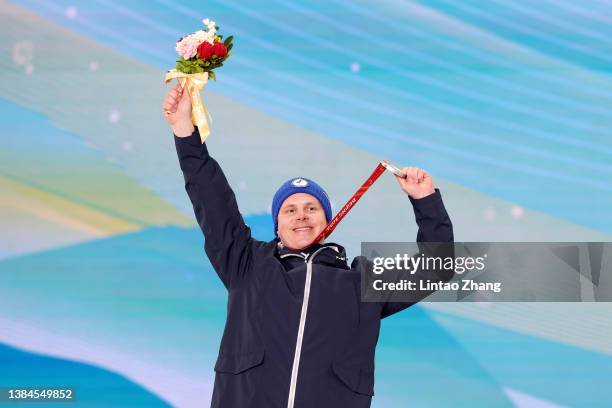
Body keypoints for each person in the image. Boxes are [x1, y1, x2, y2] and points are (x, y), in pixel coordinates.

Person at [163, 84, 454, 408]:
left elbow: (436, 268)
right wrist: (184, 132)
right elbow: (211, 198)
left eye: (311, 208)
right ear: (277, 225)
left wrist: (425, 200)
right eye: (290, 210)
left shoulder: (361, 282)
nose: (301, 216)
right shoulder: (247, 263)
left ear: (327, 221)